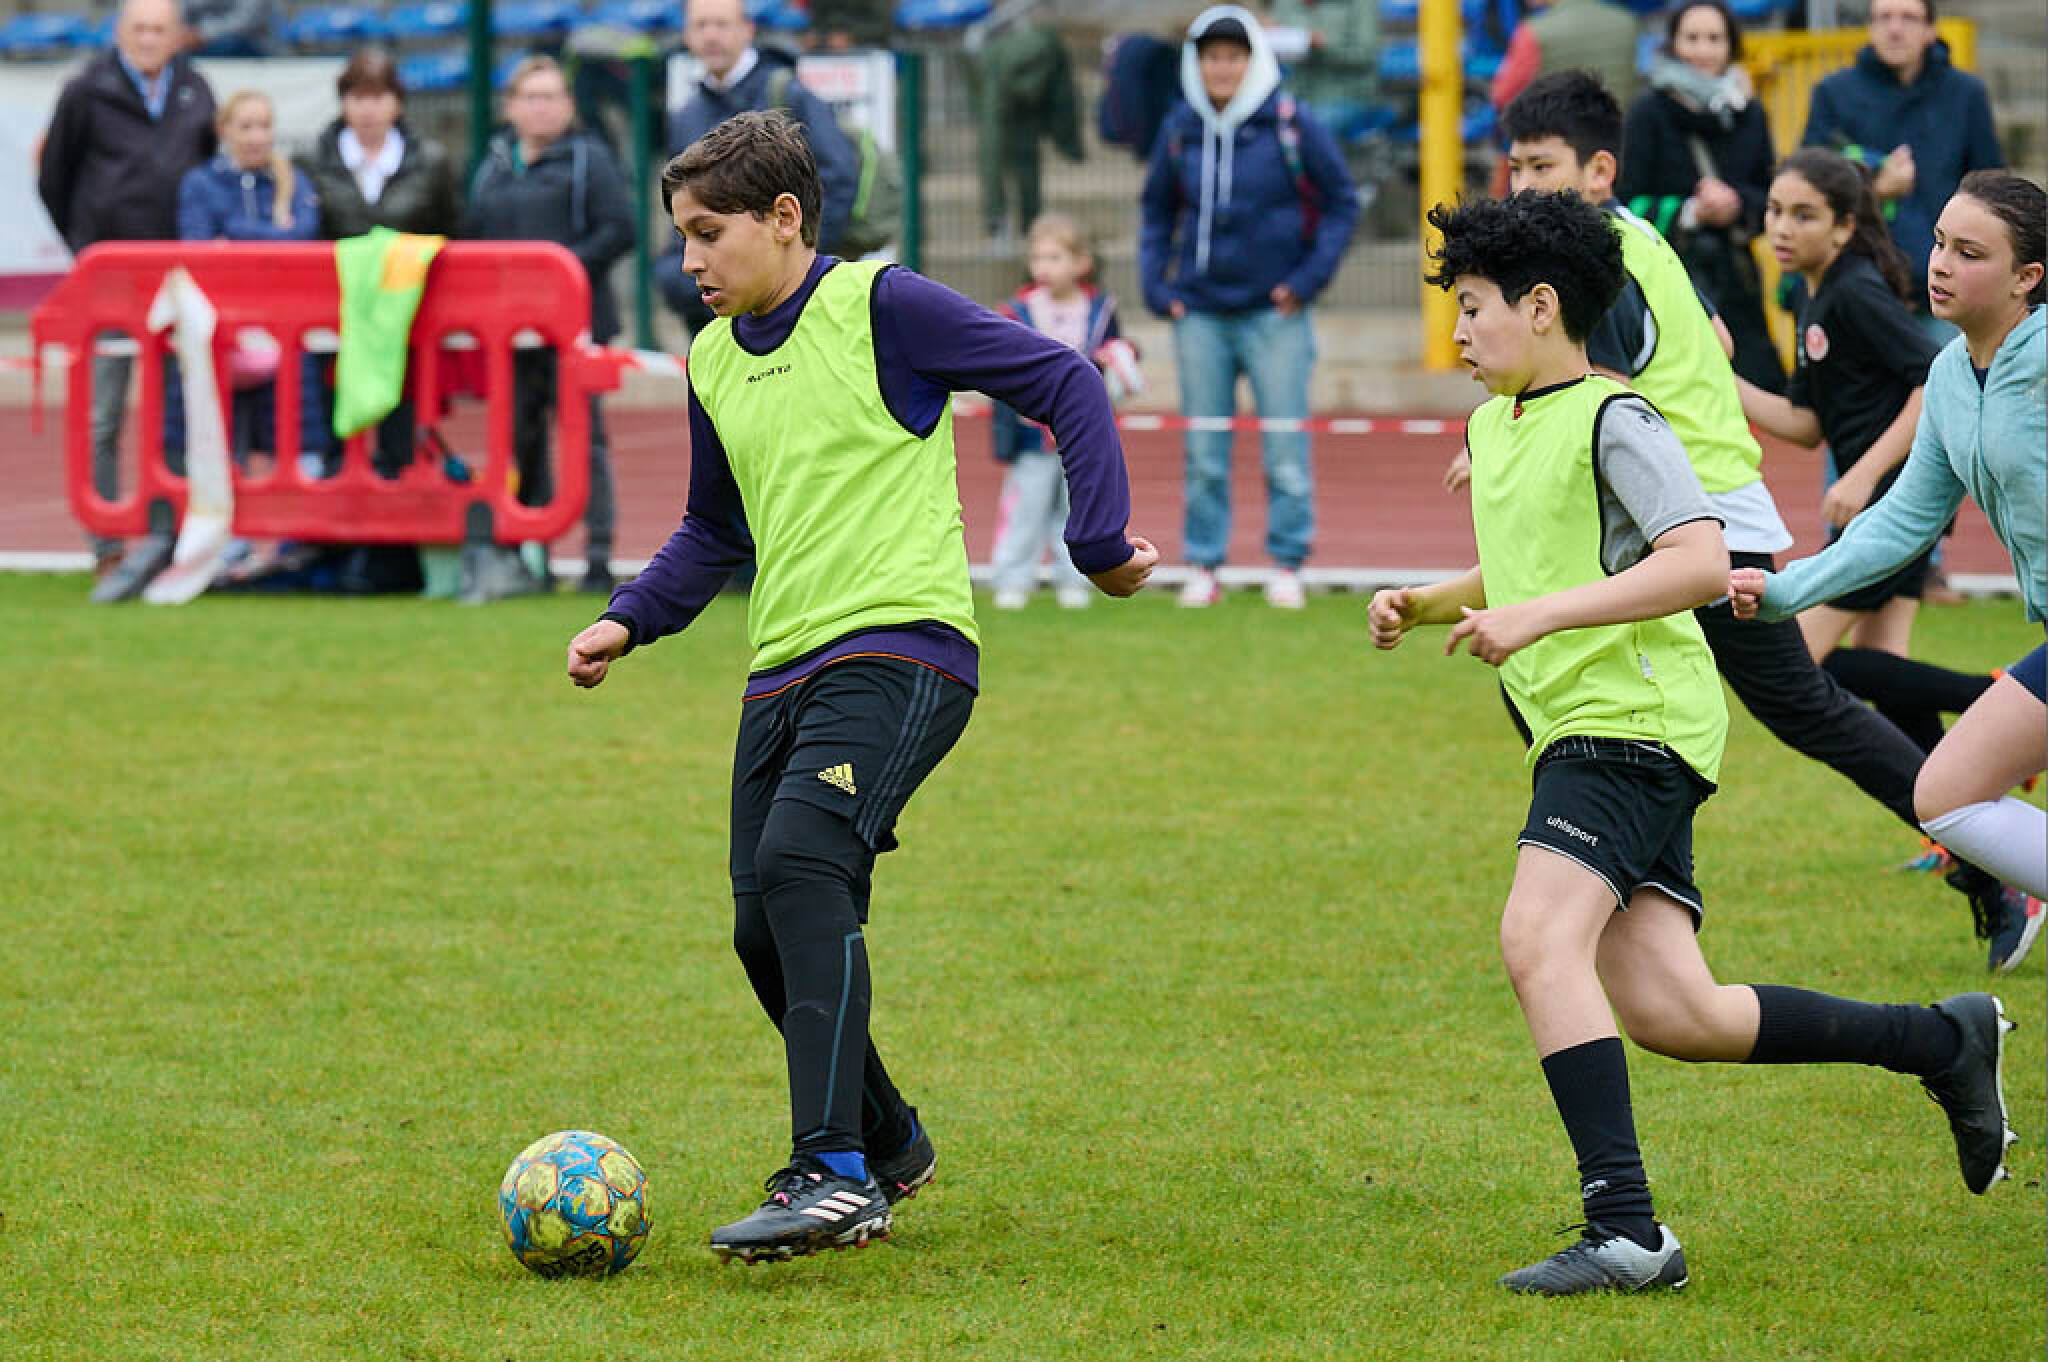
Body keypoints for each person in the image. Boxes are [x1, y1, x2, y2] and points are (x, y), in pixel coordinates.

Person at [1371, 186, 2017, 1297]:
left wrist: (1534, 619)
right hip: (1575, 728)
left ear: (1540, 307)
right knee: (1679, 1014)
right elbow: (1530, 559)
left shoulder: (1617, 419)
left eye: (1472, 306)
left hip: (1632, 725)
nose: (1459, 331)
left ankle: (1627, 1232)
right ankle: (1941, 1042)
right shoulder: (1494, 426)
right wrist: (1428, 602)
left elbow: (1698, 561)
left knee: (1536, 939)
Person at [563, 111, 1158, 1264]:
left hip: (903, 646)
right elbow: (712, 528)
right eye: (680, 235)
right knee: (760, 931)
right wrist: (627, 617)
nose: (687, 260)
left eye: (707, 233)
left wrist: (1095, 540)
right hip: (778, 666)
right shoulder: (709, 359)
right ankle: (890, 1143)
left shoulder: (882, 306)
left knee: (802, 864)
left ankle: (830, 1171)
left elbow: (1063, 379)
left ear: (785, 218)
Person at [1483, 70, 2037, 971]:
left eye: (1542, 166)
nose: (1523, 185)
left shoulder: (1596, 258)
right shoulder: (1632, 241)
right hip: (1681, 511)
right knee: (1575, 679)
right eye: (1515, 167)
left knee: (1798, 706)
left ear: (1598, 170)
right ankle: (1624, 882)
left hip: (1691, 519)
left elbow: (1598, 393)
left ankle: (1991, 864)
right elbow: (1716, 341)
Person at [1731, 171, 2047, 959]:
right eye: (1939, 243)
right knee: (1943, 796)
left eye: (1970, 252)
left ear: (2027, 278)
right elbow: (1903, 521)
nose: (1940, 264)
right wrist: (1785, 590)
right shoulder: (1949, 375)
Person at [1731, 148, 1990, 751]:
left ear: (1844, 226)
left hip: (1895, 502)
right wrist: (1717, 381)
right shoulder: (1812, 296)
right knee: (1887, 672)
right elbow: (1805, 424)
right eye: (1774, 210)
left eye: (1804, 215)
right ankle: (1956, 804)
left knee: (1800, 660)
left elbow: (1933, 381)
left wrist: (1862, 474)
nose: (1782, 227)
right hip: (1880, 503)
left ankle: (1998, 695)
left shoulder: (1855, 291)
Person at [1138, 5, 1357, 609]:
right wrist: (1157, 287)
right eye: (1212, 56)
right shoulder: (1179, 127)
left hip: (1274, 314)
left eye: (1234, 56)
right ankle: (1204, 564)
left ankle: (1288, 562)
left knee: (1285, 446)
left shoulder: (1290, 121)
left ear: (1253, 60)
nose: (1223, 67)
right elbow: (1156, 210)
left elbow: (1342, 203)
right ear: (1197, 62)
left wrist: (1307, 280)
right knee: (1204, 451)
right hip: (1200, 314)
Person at [37, 0, 216, 587]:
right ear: (119, 33)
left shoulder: (196, 90)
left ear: (176, 36)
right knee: (103, 413)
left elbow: (206, 170)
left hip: (178, 280)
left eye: (159, 30)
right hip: (111, 282)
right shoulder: (85, 92)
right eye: (138, 29)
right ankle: (107, 543)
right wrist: (87, 245)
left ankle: (180, 535)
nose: (148, 39)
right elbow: (54, 177)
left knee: (182, 410)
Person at [463, 55, 636, 597]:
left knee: (587, 441)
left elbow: (620, 228)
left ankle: (598, 558)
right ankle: (524, 553)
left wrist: (559, 274)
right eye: (530, 97)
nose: (541, 108)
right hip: (511, 335)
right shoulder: (493, 165)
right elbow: (474, 237)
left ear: (568, 105)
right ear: (510, 106)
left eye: (552, 97)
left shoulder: (590, 160)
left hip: (576, 328)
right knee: (518, 438)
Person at [299, 48, 461, 594]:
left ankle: (392, 559)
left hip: (406, 329)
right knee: (332, 440)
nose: (368, 109)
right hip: (331, 330)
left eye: (378, 97)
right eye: (357, 97)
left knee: (400, 442)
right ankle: (333, 555)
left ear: (397, 102)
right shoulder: (312, 161)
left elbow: (452, 231)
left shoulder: (431, 161)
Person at [656, 0, 860, 337]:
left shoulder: (787, 94)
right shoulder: (687, 114)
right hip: (714, 306)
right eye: (701, 25)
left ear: (747, 30)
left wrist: (793, 267)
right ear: (687, 35)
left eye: (721, 24)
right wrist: (675, 277)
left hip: (787, 302)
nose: (711, 35)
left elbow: (838, 180)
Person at [1800, 0, 2001, 339]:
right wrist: (1876, 189)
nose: (1895, 29)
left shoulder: (1966, 94)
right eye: (1884, 18)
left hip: (1942, 290)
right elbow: (1809, 188)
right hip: (1854, 287)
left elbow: (1991, 192)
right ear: (1870, 27)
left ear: (1930, 30)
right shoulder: (1833, 93)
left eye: (1909, 18)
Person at [1616, 0, 1783, 392]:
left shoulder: (1750, 113)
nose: (1703, 50)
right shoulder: (1647, 112)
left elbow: (1770, 196)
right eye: (1691, 38)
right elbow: (1624, 204)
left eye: (1714, 38)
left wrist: (1736, 205)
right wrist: (1691, 212)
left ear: (1731, 45)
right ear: (1673, 43)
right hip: (1667, 282)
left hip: (1737, 282)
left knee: (1756, 389)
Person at [176, 89, 326, 498]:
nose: (257, 137)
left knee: (300, 441)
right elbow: (198, 246)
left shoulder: (294, 181)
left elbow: (303, 237)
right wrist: (273, 237)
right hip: (224, 333)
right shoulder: (200, 183)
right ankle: (226, 527)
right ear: (224, 131)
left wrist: (234, 235)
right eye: (245, 127)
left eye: (264, 126)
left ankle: (296, 525)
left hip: (286, 334)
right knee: (222, 447)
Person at [989, 212, 1140, 610]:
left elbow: (1115, 354)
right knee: (1026, 507)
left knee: (1074, 508)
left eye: (1055, 258)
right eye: (1037, 258)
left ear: (1081, 262)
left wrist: (1122, 360)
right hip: (1031, 434)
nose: (1044, 267)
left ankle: (1072, 579)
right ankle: (1012, 578)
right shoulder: (1017, 311)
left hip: (1082, 434)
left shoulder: (1101, 309)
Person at [970, 19, 1082, 246]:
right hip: (1023, 112)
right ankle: (1030, 227)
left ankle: (999, 227)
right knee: (1025, 167)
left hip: (1000, 106)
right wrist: (1068, 141)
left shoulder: (995, 53)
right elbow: (1063, 99)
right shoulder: (1047, 48)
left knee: (993, 163)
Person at [1489, 0, 1644, 117]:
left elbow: (1503, 95)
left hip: (1561, 140)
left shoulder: (1533, 31)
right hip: (1618, 134)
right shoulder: (1627, 22)